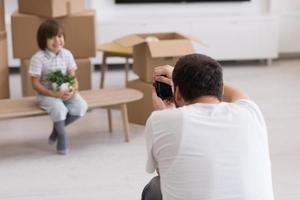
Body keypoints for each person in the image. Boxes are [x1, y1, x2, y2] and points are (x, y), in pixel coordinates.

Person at [142, 54, 274, 200]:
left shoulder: (161, 121)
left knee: (154, 189)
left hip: (174, 105)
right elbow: (237, 93)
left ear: (177, 93)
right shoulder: (249, 112)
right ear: (221, 88)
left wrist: (164, 113)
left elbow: (167, 173)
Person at [29, 19, 88, 155]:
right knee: (59, 109)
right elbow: (35, 83)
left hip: (66, 92)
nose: (57, 41)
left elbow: (73, 77)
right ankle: (62, 136)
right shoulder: (38, 58)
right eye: (51, 37)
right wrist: (52, 93)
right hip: (46, 94)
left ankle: (56, 130)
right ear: (42, 40)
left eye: (60, 36)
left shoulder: (67, 54)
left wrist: (72, 90)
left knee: (81, 106)